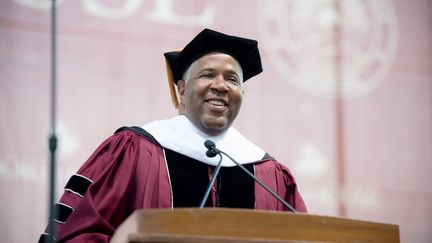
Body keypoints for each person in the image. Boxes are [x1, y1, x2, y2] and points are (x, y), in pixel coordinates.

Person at [39, 28, 307, 243]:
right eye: (207, 75)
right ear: (181, 90)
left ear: (241, 96)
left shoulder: (270, 176)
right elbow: (79, 232)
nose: (220, 86)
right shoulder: (133, 149)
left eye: (232, 80)